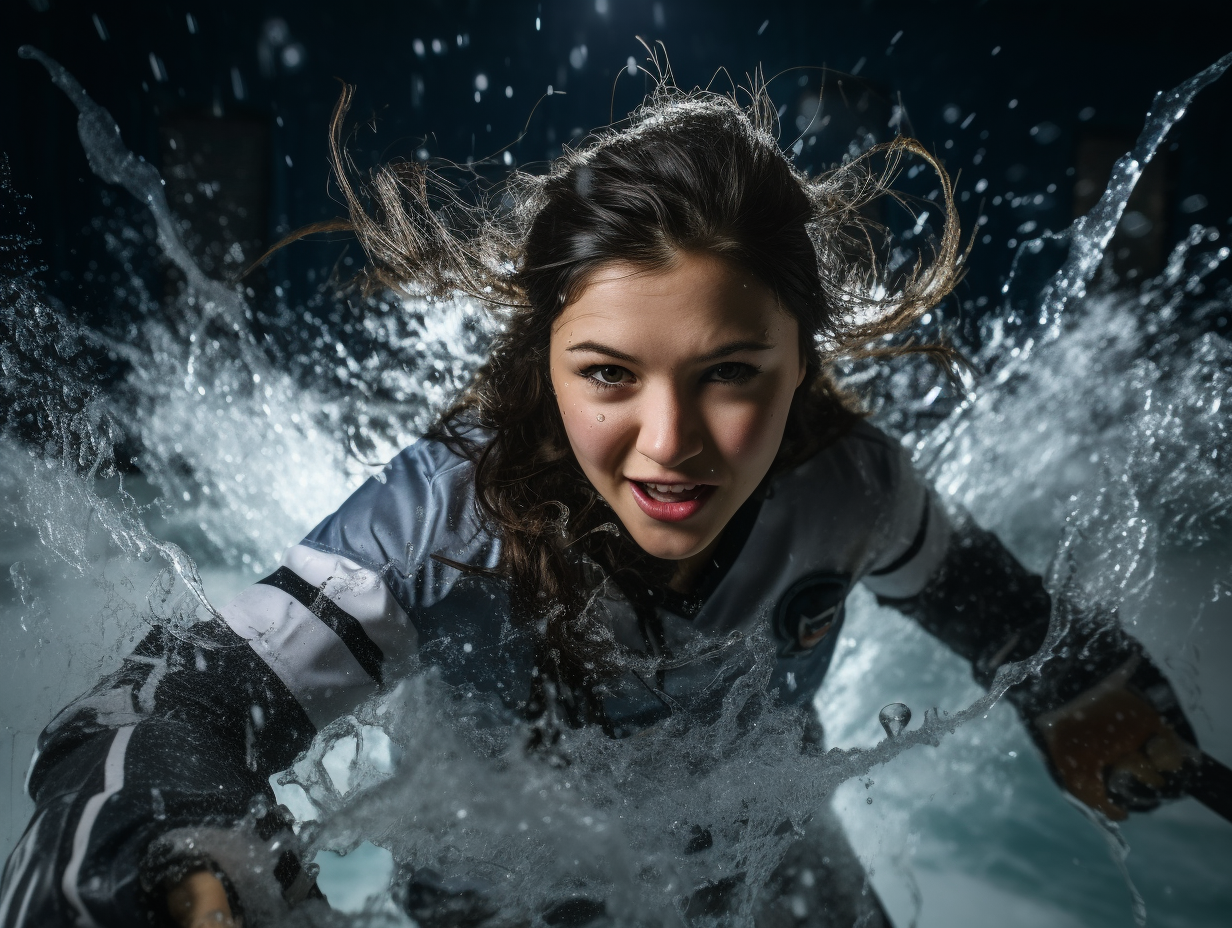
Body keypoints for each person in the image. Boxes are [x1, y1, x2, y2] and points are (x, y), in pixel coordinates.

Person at [0, 75, 1202, 928]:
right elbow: (171, 705)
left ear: (802, 363)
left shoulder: (849, 483)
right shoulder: (448, 522)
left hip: (774, 874)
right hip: (497, 889)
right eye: (608, 376)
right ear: (544, 362)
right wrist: (159, 843)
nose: (668, 446)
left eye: (731, 373)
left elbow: (995, 611)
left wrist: (1075, 683)